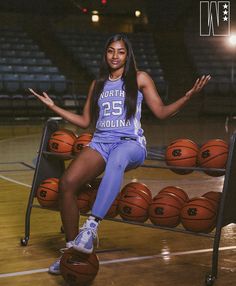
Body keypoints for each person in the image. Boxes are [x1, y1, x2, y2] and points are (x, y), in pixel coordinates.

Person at [29, 33, 210, 274]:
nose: (115, 56)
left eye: (121, 51)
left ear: (128, 55)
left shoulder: (139, 78)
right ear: (105, 54)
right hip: (101, 142)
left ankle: (91, 228)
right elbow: (84, 121)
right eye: (111, 51)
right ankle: (72, 252)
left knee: (117, 160)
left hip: (130, 143)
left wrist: (188, 96)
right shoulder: (98, 84)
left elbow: (162, 112)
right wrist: (53, 106)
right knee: (67, 184)